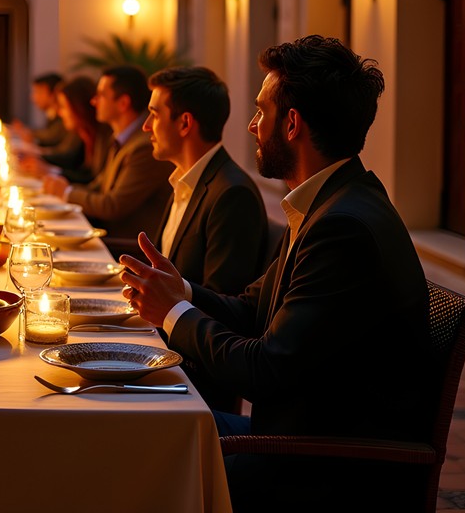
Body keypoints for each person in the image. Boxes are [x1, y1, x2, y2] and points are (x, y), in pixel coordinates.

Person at [119, 36, 431, 512]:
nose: (251, 125)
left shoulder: (342, 226)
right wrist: (180, 290)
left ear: (291, 123)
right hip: (301, 436)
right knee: (134, 417)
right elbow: (252, 309)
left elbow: (264, 371)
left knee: (137, 448)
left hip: (326, 465)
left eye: (261, 111)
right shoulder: (328, 201)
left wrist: (174, 313)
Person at [145, 66, 268, 295]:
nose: (146, 126)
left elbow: (222, 298)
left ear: (185, 123)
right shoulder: (183, 180)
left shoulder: (233, 194)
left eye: (155, 114)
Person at [42, 65, 171, 239]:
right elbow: (98, 185)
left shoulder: (144, 147)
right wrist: (62, 186)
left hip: (124, 246)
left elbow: (113, 206)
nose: (94, 101)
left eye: (101, 95)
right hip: (108, 236)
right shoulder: (121, 138)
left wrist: (66, 192)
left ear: (123, 103)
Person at [20, 76, 111, 184]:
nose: (60, 113)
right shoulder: (85, 134)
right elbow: (71, 159)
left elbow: (91, 179)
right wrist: (40, 158)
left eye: (63, 107)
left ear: (79, 107)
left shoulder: (103, 138)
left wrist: (51, 171)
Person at [12, 72, 67, 148]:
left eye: (38, 92)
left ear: (53, 94)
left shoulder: (62, 116)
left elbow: (52, 135)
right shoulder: (51, 114)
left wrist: (28, 133)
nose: (33, 97)